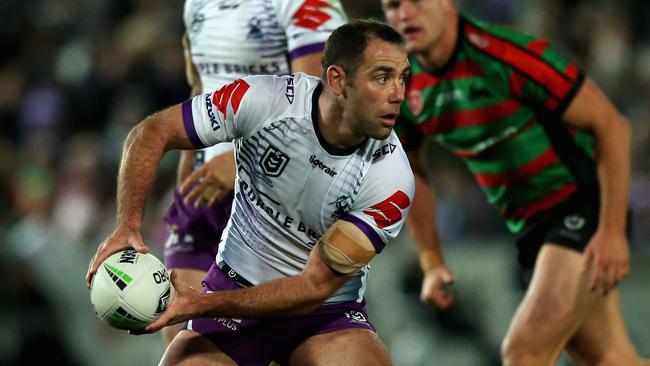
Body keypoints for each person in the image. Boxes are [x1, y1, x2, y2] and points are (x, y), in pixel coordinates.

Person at [86, 20, 414, 366]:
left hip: (324, 316)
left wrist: (202, 304)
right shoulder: (264, 101)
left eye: (403, 78)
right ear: (337, 80)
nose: (399, 93)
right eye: (382, 77)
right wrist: (127, 226)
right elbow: (152, 132)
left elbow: (311, 289)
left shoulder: (390, 179)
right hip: (234, 291)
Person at [381, 0, 650, 365]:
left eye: (417, 1)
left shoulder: (506, 55)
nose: (405, 13)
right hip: (531, 230)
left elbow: (612, 126)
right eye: (393, 5)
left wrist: (612, 231)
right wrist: (430, 260)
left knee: (523, 351)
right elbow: (410, 169)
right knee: (611, 358)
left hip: (580, 205)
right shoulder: (405, 86)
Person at [162, 0, 348, 345]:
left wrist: (238, 161)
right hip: (206, 190)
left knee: (267, 342)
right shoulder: (196, 4)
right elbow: (200, 89)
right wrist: (185, 177)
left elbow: (323, 96)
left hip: (279, 196)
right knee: (182, 335)